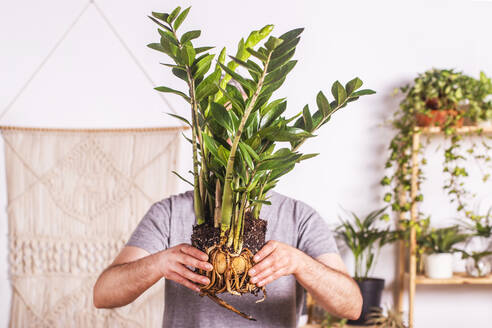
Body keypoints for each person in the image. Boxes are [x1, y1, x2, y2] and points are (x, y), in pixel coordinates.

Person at [93, 190, 362, 327]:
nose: (233, 137)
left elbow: (351, 306)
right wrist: (157, 263)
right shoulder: (170, 212)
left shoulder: (299, 217)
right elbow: (103, 294)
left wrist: (301, 264)